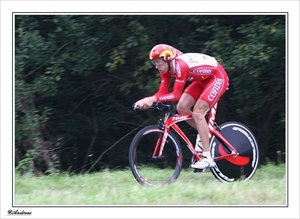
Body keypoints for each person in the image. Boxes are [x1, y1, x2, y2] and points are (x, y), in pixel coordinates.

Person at [134, 44, 229, 170]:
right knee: (182, 108)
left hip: (217, 77)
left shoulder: (180, 65)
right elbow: (162, 93)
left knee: (198, 113)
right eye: (153, 63)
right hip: (202, 80)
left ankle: (207, 157)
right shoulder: (165, 70)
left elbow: (176, 95)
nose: (156, 66)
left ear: (167, 59)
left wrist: (151, 99)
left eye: (158, 62)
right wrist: (148, 100)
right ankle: (205, 132)